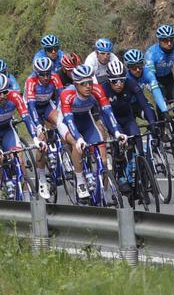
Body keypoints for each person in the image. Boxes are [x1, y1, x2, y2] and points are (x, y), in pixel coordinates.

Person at [58, 64, 124, 200]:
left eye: (90, 82)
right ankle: (80, 180)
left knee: (104, 161)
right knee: (77, 145)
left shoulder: (97, 90)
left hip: (86, 120)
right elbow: (69, 120)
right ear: (76, 84)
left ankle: (105, 191)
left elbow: (108, 112)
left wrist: (117, 132)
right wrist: (79, 138)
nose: (88, 86)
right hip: (67, 122)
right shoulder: (67, 94)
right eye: (83, 84)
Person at [0, 73, 43, 198]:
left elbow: (26, 118)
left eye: (5, 92)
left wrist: (35, 138)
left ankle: (26, 195)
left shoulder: (15, 96)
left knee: (20, 159)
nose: (2, 96)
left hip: (7, 129)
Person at [102, 62, 157, 194]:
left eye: (122, 80)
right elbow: (103, 114)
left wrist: (152, 122)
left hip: (128, 119)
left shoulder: (131, 84)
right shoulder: (103, 89)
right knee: (119, 145)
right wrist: (114, 132)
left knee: (138, 143)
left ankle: (142, 175)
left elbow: (144, 104)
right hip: (113, 121)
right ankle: (120, 174)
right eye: (115, 81)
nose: (119, 84)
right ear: (109, 81)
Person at [24, 56, 65, 199]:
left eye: (48, 73)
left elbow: (61, 98)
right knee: (41, 139)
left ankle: (64, 153)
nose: (46, 77)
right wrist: (38, 127)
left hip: (47, 105)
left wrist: (60, 114)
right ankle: (42, 180)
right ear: (36, 73)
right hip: (33, 108)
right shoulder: (31, 81)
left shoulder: (54, 77)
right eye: (42, 74)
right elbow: (31, 107)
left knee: (61, 122)